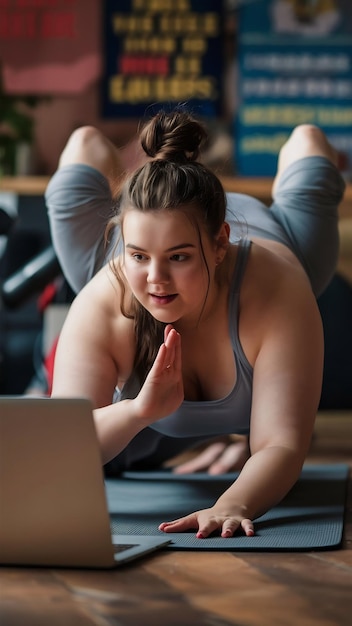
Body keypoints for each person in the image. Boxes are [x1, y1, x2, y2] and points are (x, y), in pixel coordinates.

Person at [45, 109, 345, 539]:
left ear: (221, 243)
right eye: (140, 257)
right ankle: (108, 180)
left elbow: (281, 444)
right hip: (118, 247)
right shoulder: (105, 300)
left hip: (280, 238)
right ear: (124, 246)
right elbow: (59, 445)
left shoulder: (277, 292)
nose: (156, 281)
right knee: (82, 143)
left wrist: (232, 504)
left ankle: (307, 145)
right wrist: (137, 411)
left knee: (308, 140)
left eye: (179, 257)